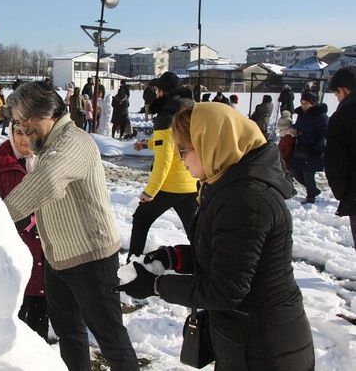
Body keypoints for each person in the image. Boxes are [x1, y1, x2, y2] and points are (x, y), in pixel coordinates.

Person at [116, 102, 315, 371]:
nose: (180, 159)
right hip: (245, 338)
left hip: (266, 347)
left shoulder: (247, 200)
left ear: (211, 143)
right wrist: (172, 256)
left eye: (183, 150)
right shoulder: (224, 184)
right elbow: (222, 255)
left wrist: (155, 286)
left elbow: (224, 289)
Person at [3, 81, 139, 371]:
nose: (23, 130)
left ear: (47, 113)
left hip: (91, 258)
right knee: (70, 335)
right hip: (58, 259)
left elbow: (48, 181)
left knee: (110, 339)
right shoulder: (48, 145)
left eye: (25, 121)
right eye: (16, 122)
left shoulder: (72, 142)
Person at [0, 123, 48, 340]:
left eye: (29, 132)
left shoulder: (51, 160)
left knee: (41, 315)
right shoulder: (0, 163)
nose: (24, 139)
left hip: (48, 251)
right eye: (19, 133)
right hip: (17, 250)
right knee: (16, 318)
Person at [129, 71, 198, 260]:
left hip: (170, 184)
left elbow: (164, 159)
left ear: (163, 92)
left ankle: (132, 264)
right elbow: (174, 143)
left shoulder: (166, 117)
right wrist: (146, 144)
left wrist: (150, 191)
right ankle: (204, 266)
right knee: (195, 230)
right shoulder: (189, 110)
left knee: (141, 219)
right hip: (191, 181)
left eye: (158, 90)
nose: (156, 94)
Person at [325, 66, 356, 250]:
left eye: (336, 94)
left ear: (343, 90)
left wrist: (343, 193)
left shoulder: (342, 117)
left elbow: (334, 162)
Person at [292, 91, 328, 204]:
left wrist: (317, 149)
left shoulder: (320, 116)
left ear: (313, 104)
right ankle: (313, 190)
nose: (303, 105)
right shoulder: (301, 114)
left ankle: (310, 197)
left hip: (314, 150)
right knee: (294, 171)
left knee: (308, 173)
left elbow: (324, 134)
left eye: (306, 103)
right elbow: (298, 126)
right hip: (301, 148)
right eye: (302, 103)